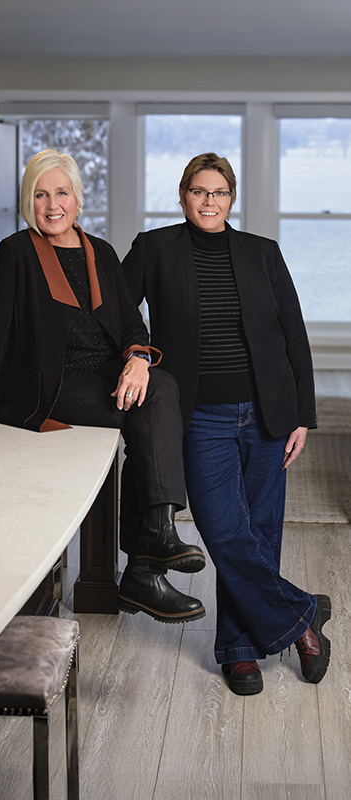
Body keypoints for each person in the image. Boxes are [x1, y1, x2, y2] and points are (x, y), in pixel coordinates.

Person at [0, 149, 206, 625]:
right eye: (40, 194)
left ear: (78, 198)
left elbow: (131, 324)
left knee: (159, 386)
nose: (52, 205)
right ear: (27, 201)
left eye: (61, 193)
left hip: (104, 370)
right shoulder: (16, 252)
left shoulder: (102, 252)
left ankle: (154, 543)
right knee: (150, 414)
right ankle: (147, 561)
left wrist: (138, 360)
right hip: (50, 384)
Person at [122, 152, 331, 695]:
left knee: (260, 532)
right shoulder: (155, 248)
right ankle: (304, 616)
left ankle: (239, 650)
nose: (209, 201)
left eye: (219, 192)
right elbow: (118, 312)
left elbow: (294, 335)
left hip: (267, 413)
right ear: (183, 195)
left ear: (231, 199)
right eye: (199, 191)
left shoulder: (263, 252)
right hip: (200, 417)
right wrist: (137, 354)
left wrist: (302, 416)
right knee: (225, 532)